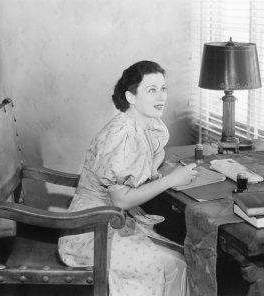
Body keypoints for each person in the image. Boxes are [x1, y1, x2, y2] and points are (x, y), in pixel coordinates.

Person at [58, 60, 198, 296]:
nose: (161, 96)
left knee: (179, 259)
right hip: (90, 230)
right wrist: (170, 179)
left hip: (111, 221)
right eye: (151, 90)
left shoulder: (143, 124)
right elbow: (120, 201)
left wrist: (152, 169)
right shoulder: (121, 134)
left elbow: (156, 150)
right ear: (131, 97)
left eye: (163, 88)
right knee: (176, 264)